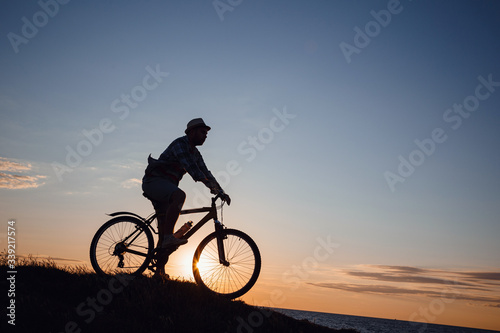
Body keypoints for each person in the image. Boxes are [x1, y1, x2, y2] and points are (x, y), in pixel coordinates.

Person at [142, 118, 230, 278]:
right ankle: (168, 238)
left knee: (164, 233)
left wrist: (221, 191)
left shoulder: (196, 153)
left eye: (207, 133)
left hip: (167, 187)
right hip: (154, 182)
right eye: (203, 132)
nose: (205, 136)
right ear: (192, 132)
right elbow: (194, 171)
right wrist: (212, 187)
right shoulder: (180, 145)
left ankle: (159, 272)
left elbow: (206, 172)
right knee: (179, 196)